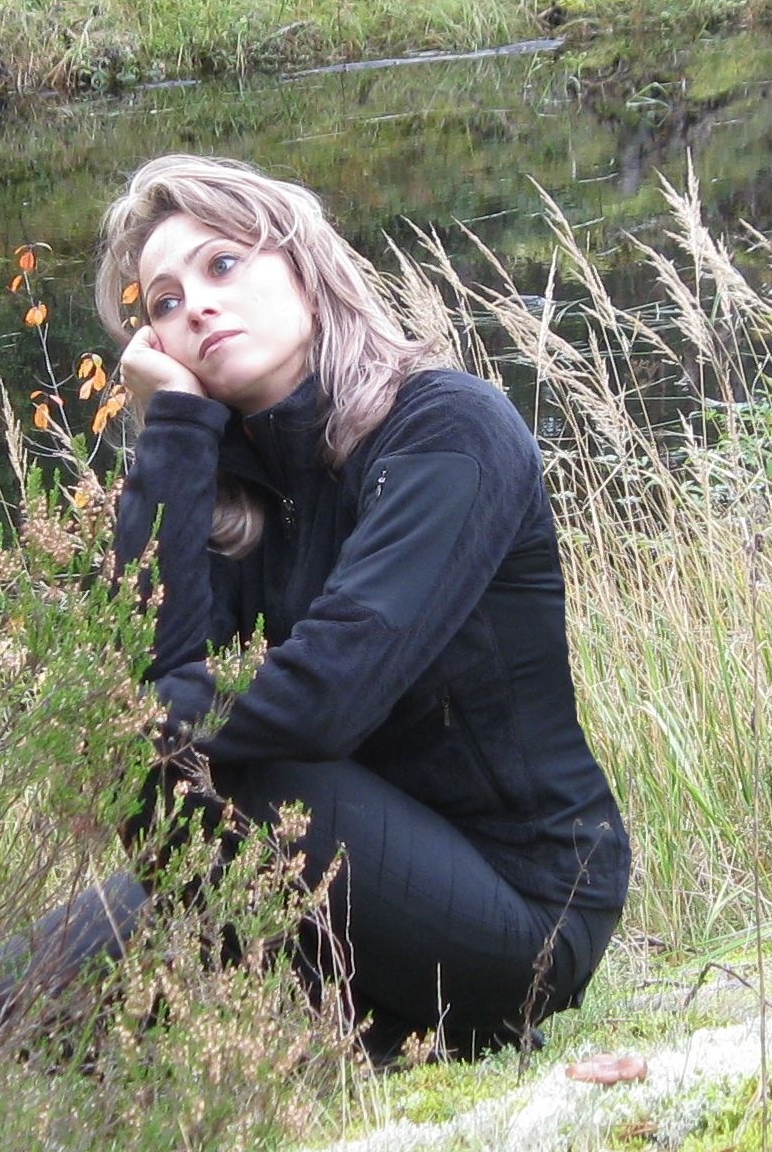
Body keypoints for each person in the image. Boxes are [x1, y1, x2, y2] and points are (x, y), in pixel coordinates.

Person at [77, 152, 631, 1066]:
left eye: (223, 264)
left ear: (303, 266)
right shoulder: (230, 498)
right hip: (336, 853)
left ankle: (408, 1023)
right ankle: (350, 1023)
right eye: (165, 301)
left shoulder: (448, 430)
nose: (197, 306)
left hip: (525, 902)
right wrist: (174, 431)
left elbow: (324, 698)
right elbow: (136, 665)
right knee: (27, 992)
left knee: (186, 770)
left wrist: (146, 721)